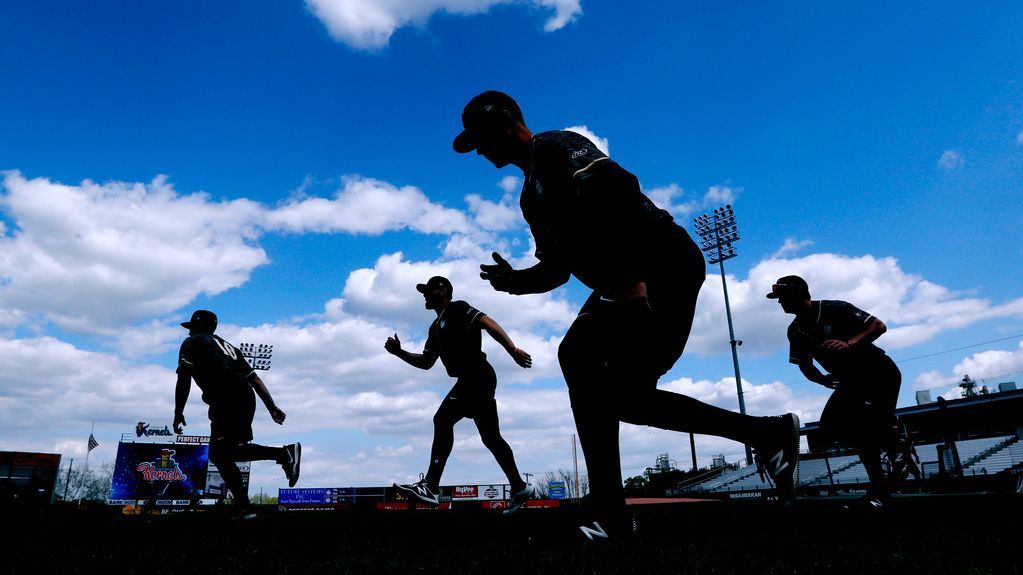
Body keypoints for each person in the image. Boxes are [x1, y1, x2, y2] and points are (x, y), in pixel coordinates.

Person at [453, 90, 801, 539]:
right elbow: (557, 270)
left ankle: (610, 510)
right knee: (612, 387)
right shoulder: (530, 197)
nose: (478, 150)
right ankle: (766, 434)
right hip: (626, 279)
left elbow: (617, 185)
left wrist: (633, 276)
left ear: (503, 123)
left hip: (661, 262)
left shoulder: (555, 146)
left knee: (585, 362)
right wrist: (516, 280)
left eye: (479, 139)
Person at [386, 276, 537, 514]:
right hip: (471, 380)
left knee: (442, 419)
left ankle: (431, 486)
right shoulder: (435, 327)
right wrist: (399, 353)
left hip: (477, 375)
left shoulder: (456, 308)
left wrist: (513, 350)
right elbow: (426, 362)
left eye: (429, 290)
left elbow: (487, 322)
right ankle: (519, 486)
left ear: (443, 290)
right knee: (491, 438)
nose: (424, 295)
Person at [767, 275, 903, 507]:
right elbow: (805, 364)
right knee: (832, 427)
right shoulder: (796, 330)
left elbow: (879, 326)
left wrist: (849, 343)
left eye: (783, 297)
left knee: (870, 427)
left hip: (878, 371)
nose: (780, 303)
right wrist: (822, 379)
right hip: (852, 381)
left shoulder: (834, 308)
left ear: (798, 294)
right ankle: (889, 457)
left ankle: (892, 453)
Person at [172, 309, 301, 518]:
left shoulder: (193, 342)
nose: (189, 332)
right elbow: (255, 379)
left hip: (226, 398)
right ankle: (281, 456)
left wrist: (178, 412)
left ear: (198, 327)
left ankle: (245, 506)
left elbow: (184, 378)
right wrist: (272, 407)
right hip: (244, 397)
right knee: (227, 453)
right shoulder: (228, 346)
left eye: (192, 327)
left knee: (221, 455)